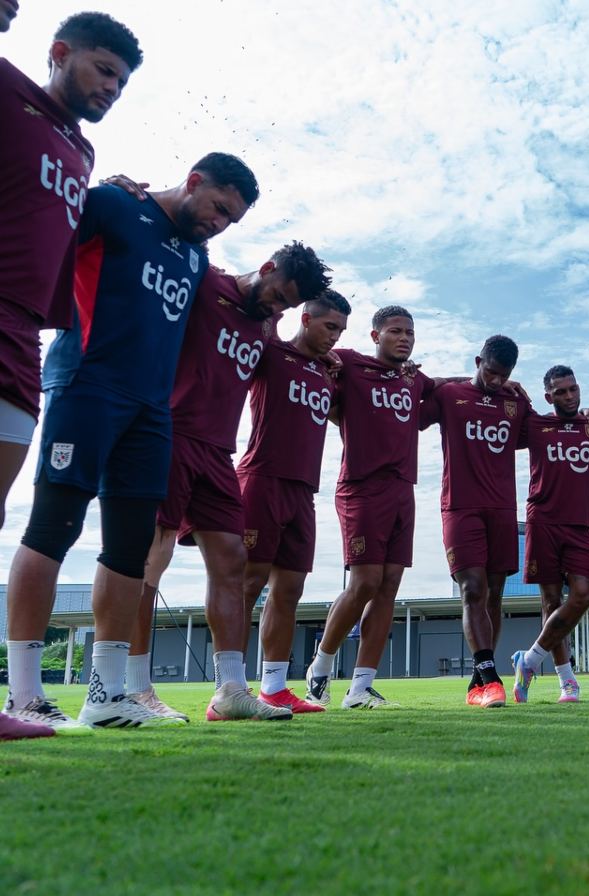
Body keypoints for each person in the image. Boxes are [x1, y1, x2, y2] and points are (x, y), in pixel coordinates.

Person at [4, 153, 256, 733]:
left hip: (152, 410)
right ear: (193, 181)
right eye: (219, 207)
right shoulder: (117, 205)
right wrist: (102, 184)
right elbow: (46, 233)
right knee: (53, 526)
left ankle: (107, 693)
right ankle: (23, 694)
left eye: (231, 220)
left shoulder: (194, 256)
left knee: (130, 547)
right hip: (87, 384)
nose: (219, 222)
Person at [0, 12, 142, 741]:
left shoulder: (81, 151)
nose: (112, 89)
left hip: (23, 334)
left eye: (121, 81)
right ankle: (25, 690)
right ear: (59, 54)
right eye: (102, 71)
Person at [129, 243, 330, 723]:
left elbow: (282, 355)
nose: (277, 308)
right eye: (278, 295)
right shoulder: (206, 281)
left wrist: (326, 362)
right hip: (170, 431)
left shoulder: (267, 324)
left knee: (233, 564)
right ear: (265, 269)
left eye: (287, 305)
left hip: (218, 451)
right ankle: (131, 686)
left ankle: (231, 690)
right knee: (150, 557)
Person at [304, 306, 444, 711]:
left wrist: (490, 381)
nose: (404, 338)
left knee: (390, 586)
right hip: (361, 488)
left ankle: (361, 687)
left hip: (403, 490)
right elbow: (319, 369)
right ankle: (321, 667)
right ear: (375, 336)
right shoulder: (348, 361)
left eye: (410, 333)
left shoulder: (414, 379)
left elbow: (444, 386)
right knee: (364, 581)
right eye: (396, 331)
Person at [237, 289, 350, 716]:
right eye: (329, 326)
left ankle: (275, 689)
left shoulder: (326, 372)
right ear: (305, 319)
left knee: (289, 590)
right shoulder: (271, 352)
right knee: (247, 584)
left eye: (341, 330)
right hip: (261, 480)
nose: (335, 337)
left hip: (304, 489)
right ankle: (228, 684)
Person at [420, 336, 532, 709]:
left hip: (501, 509)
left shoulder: (516, 402)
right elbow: (412, 412)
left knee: (495, 595)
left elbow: (543, 434)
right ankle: (491, 675)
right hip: (460, 507)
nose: (497, 381)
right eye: (491, 372)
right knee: (472, 589)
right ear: (477, 361)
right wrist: (449, 379)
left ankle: (478, 682)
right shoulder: (451, 396)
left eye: (505, 375)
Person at [511, 366, 589, 703]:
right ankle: (567, 682)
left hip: (578, 526)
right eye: (561, 392)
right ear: (549, 396)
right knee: (550, 602)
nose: (570, 396)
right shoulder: (536, 423)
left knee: (583, 595)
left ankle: (528, 660)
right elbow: (501, 429)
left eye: (574, 389)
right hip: (542, 520)